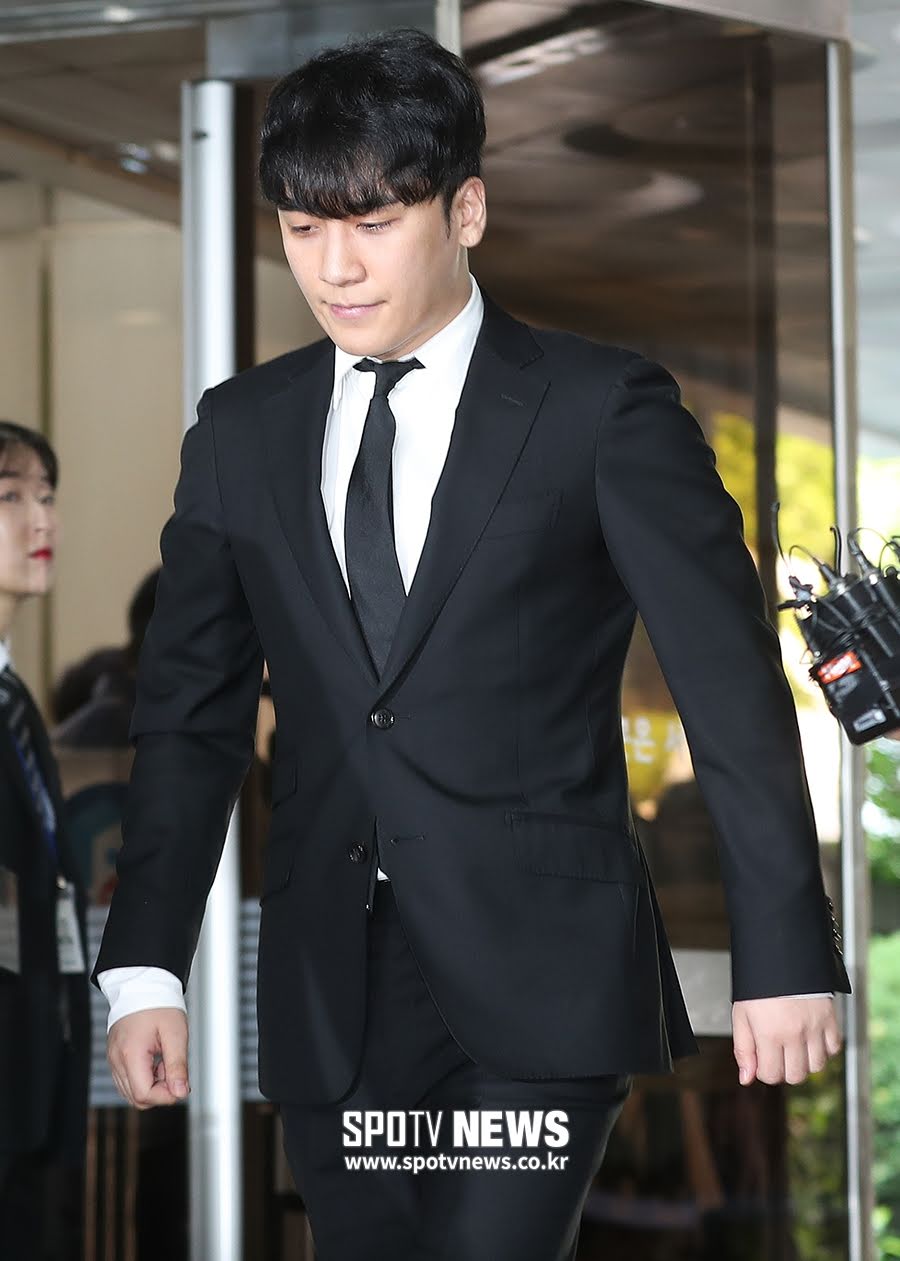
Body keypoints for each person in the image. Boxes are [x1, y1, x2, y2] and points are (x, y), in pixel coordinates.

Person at [92, 28, 850, 1261]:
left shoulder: (601, 409)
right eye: (302, 228)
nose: (334, 267)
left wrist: (785, 951)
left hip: (543, 973)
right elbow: (190, 717)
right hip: (333, 987)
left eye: (374, 224)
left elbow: (728, 689)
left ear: (467, 211)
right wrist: (145, 968)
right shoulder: (241, 432)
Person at [0, 421, 90, 1260]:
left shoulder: (18, 700)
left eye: (48, 497)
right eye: (10, 498)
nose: (42, 520)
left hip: (34, 1066)